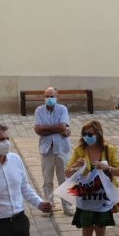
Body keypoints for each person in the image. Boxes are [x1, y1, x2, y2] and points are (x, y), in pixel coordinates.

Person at [65, 121, 119, 236]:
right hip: (85, 197)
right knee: (86, 230)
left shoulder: (109, 150)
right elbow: (67, 174)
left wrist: (107, 168)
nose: (87, 137)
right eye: (84, 134)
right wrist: (76, 166)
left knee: (101, 230)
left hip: (103, 197)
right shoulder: (79, 150)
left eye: (90, 134)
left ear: (98, 134)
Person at [34, 87, 73, 216]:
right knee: (47, 180)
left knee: (65, 179)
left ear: (57, 96)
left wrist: (46, 129)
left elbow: (63, 126)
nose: (49, 99)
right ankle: (48, 206)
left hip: (62, 149)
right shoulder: (39, 110)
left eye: (52, 96)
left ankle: (67, 206)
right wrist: (60, 129)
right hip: (47, 150)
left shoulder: (62, 109)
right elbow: (38, 130)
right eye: (47, 96)